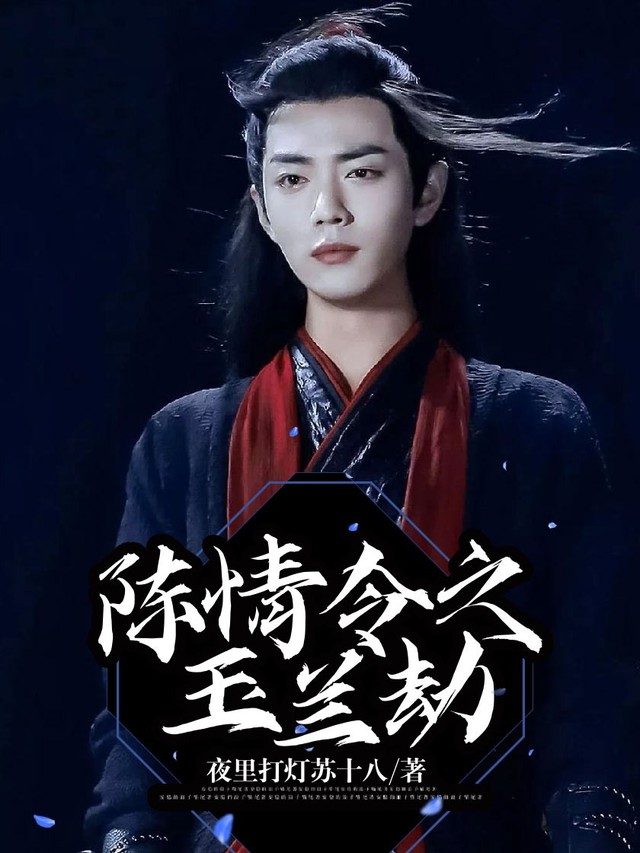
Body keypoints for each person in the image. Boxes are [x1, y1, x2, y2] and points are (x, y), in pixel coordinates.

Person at [84, 5, 636, 852]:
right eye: (292, 179)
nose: (328, 209)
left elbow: (590, 702)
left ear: (427, 191)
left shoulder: (535, 424)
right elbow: (141, 727)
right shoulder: (181, 441)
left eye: (364, 171)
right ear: (263, 206)